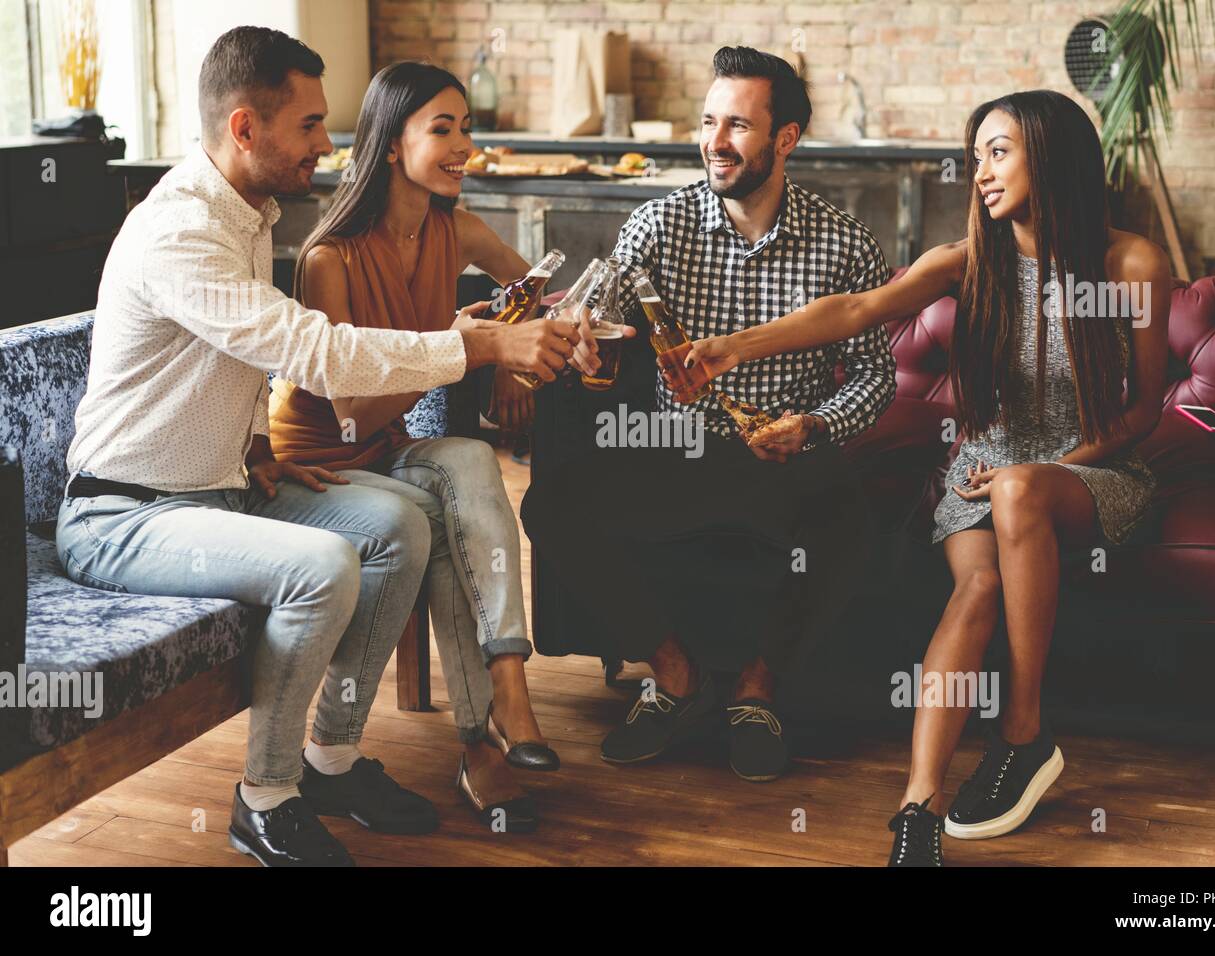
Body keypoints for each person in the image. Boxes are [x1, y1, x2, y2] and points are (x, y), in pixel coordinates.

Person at [56, 26, 581, 866]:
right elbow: (315, 350)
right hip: (126, 514)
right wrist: (473, 347)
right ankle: (263, 796)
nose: (327, 143)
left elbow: (234, 355)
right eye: (307, 125)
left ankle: (331, 759)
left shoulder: (250, 212)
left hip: (221, 488)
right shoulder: (180, 232)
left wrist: (257, 445)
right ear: (244, 128)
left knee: (401, 524)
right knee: (324, 565)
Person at [671, 89, 1171, 865]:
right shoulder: (970, 261)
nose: (981, 174)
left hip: (1091, 469)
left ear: (1054, 155)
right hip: (984, 470)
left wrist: (1039, 472)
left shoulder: (1130, 262)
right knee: (974, 587)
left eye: (998, 153)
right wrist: (734, 346)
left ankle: (1024, 735)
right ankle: (917, 808)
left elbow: (1141, 412)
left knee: (1017, 490)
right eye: (975, 159)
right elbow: (853, 311)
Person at [522, 46, 896, 784]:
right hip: (675, 446)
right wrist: (591, 364)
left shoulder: (845, 241)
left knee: (849, 521)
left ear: (785, 140)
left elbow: (878, 375)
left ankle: (758, 689)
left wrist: (815, 425)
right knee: (552, 505)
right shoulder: (658, 225)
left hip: (784, 457)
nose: (714, 142)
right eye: (707, 122)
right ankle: (677, 678)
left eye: (738, 126)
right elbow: (599, 337)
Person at [269, 61, 585, 831]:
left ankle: (509, 679)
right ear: (388, 145)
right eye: (441, 129)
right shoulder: (328, 260)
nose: (462, 145)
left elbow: (552, 302)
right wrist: (470, 347)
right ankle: (481, 740)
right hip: (319, 467)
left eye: (467, 128)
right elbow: (351, 406)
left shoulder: (459, 228)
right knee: (445, 522)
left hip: (388, 449)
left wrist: (544, 343)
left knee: (473, 460)